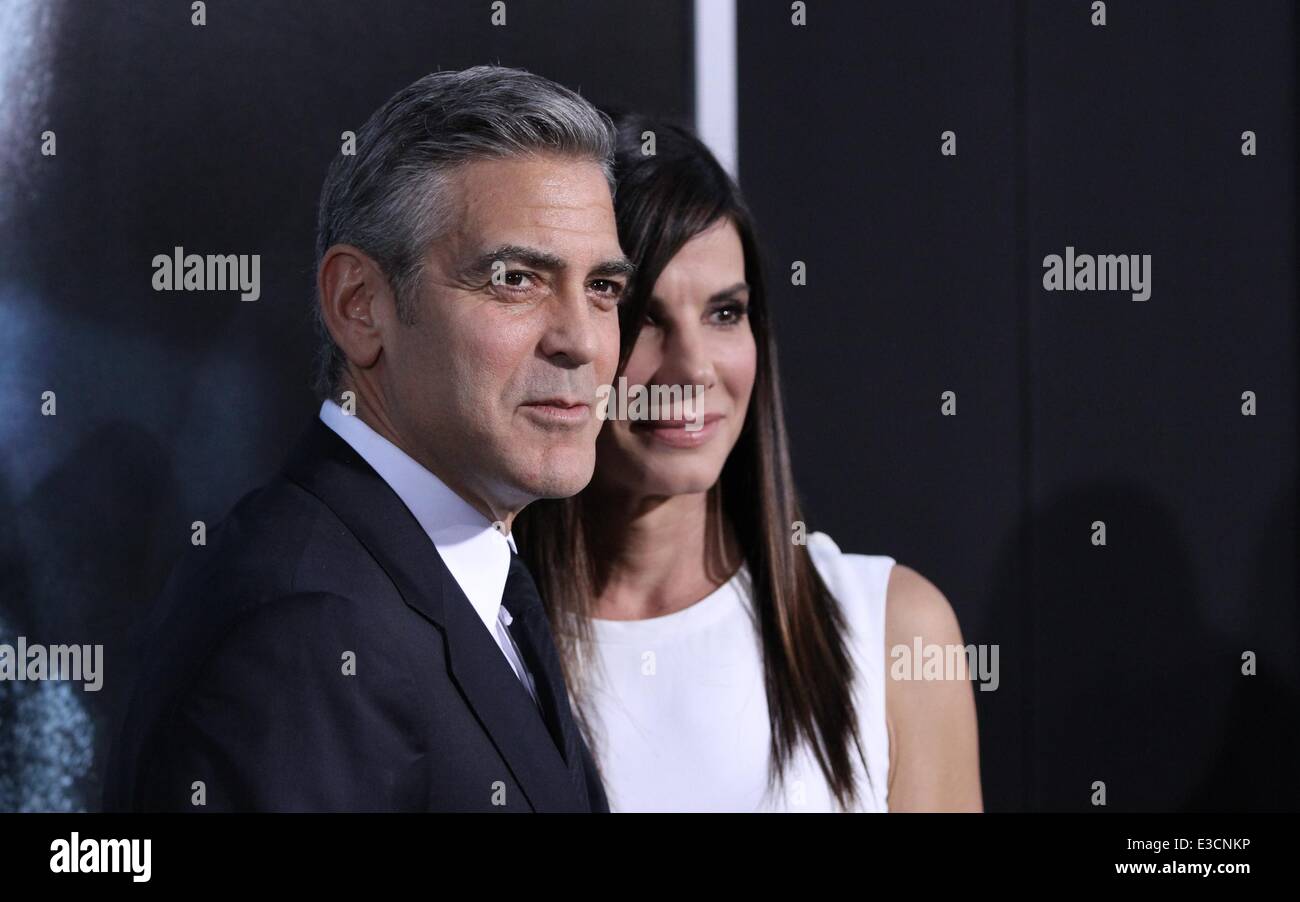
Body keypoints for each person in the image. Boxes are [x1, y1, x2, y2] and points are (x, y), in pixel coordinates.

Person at [103, 66, 631, 812]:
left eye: (603, 288)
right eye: (516, 279)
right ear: (359, 306)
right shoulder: (306, 632)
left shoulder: (462, 576)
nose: (582, 341)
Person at [515, 115, 984, 812]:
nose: (694, 369)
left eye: (726, 313)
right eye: (645, 316)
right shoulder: (479, 642)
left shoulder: (892, 629)